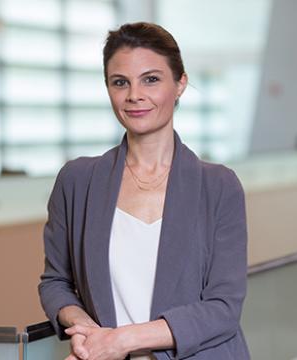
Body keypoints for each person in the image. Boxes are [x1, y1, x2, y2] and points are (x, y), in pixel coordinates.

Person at [39, 22, 250, 360]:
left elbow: (223, 308)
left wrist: (121, 341)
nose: (134, 95)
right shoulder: (77, 180)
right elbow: (55, 282)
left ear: (180, 83)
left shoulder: (219, 186)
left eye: (151, 79)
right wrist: (89, 334)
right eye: (120, 82)